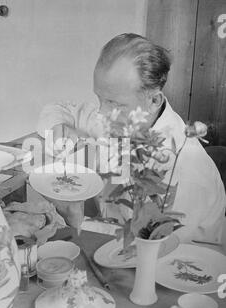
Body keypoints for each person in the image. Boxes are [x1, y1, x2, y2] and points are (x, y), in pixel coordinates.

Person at [37, 33, 226, 243]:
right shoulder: (116, 115)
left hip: (181, 259)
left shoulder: (182, 170)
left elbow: (149, 245)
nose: (102, 113)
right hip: (112, 234)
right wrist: (59, 127)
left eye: (115, 104)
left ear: (154, 100)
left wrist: (75, 218)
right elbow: (57, 109)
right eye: (100, 98)